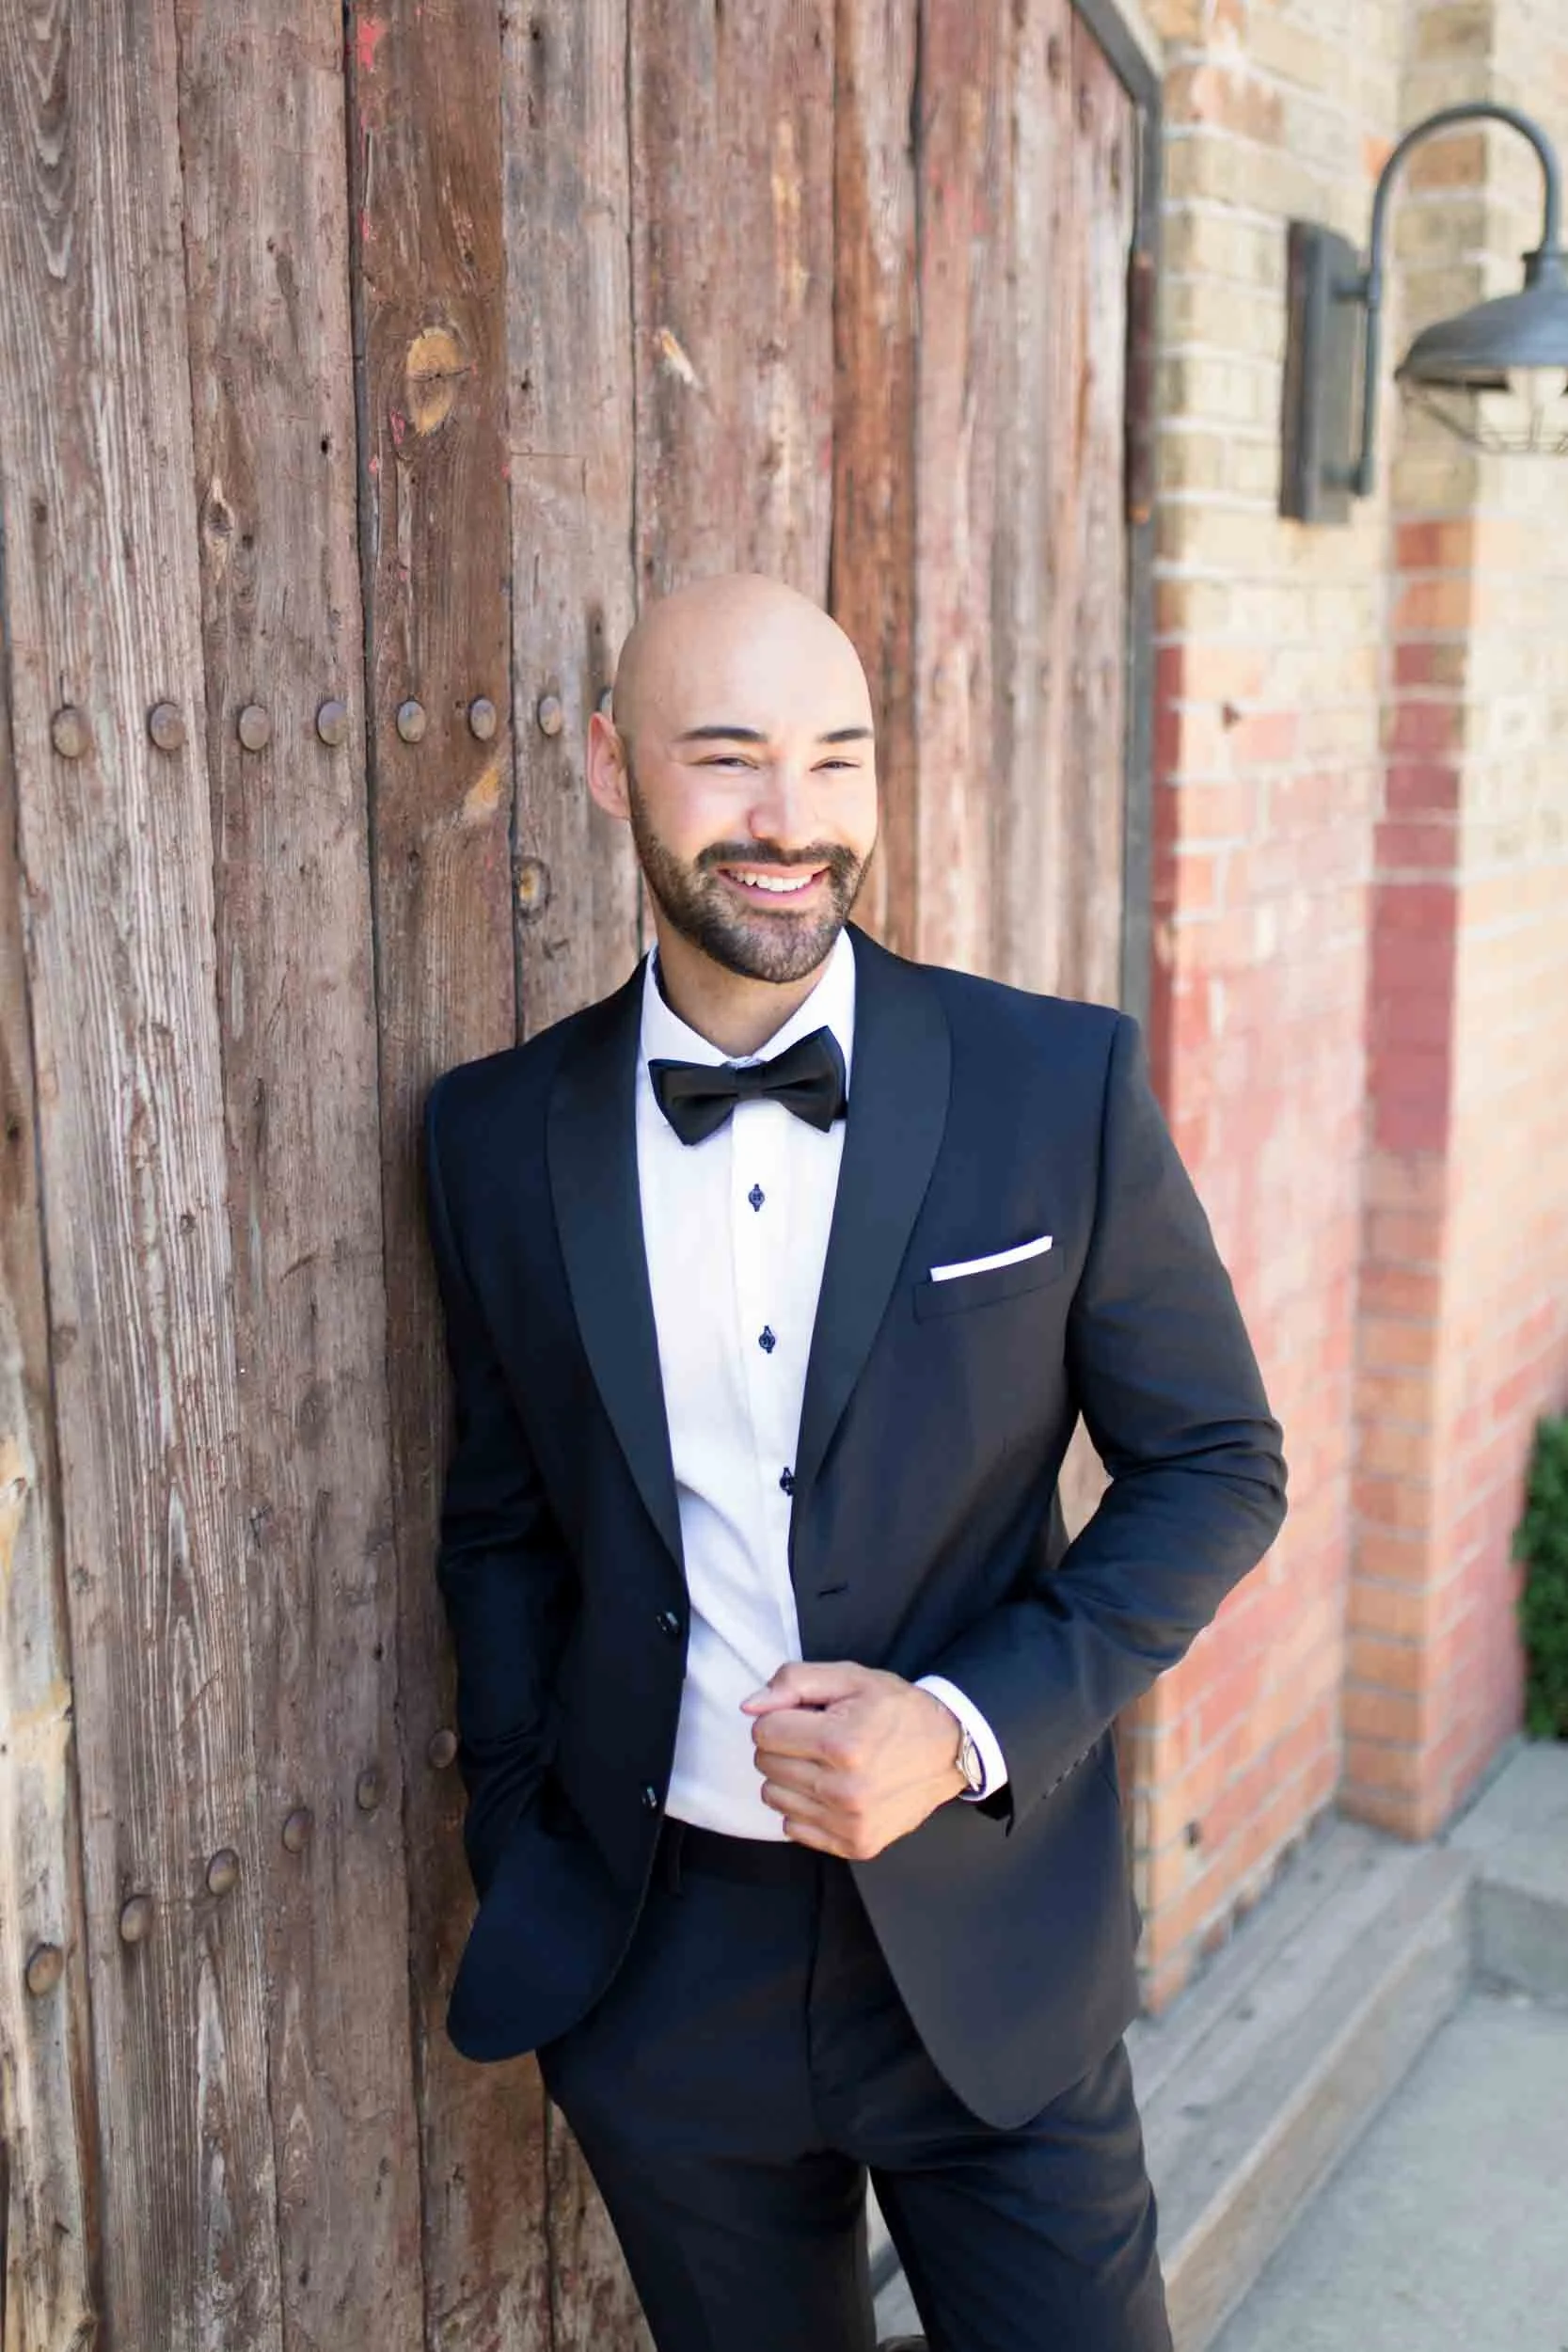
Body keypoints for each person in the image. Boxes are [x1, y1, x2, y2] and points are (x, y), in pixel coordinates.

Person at [421, 571, 1288, 2352]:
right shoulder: (497, 1136)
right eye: (729, 762)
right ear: (610, 768)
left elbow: (1215, 1462)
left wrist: (962, 1728)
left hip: (990, 1956)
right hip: (660, 1977)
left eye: (836, 760)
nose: (790, 824)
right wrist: (527, 1836)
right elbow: (501, 1531)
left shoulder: (1055, 1085)